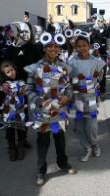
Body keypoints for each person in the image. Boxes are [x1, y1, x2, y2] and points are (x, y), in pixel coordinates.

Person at [25, 31, 77, 186]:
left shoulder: (65, 67)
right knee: (43, 142)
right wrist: (39, 101)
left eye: (56, 46)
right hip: (43, 113)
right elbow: (29, 89)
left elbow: (69, 87)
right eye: (50, 46)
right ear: (44, 48)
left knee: (60, 140)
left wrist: (67, 96)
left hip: (60, 111)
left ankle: (63, 163)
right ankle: (41, 170)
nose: (54, 49)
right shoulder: (35, 68)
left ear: (60, 49)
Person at [68, 32, 105, 162]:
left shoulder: (96, 61)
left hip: (90, 98)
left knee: (91, 125)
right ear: (75, 47)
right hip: (76, 97)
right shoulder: (71, 62)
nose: (82, 48)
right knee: (78, 126)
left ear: (89, 46)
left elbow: (100, 78)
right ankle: (87, 148)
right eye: (79, 46)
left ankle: (95, 144)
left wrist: (97, 85)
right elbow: (67, 79)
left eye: (84, 45)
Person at [0, 61, 27, 161]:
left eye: (12, 70)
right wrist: (0, 112)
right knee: (10, 131)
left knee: (20, 130)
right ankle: (12, 149)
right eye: (8, 72)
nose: (11, 72)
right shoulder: (4, 85)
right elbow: (0, 99)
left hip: (20, 111)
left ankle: (20, 148)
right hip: (8, 112)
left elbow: (25, 97)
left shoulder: (22, 82)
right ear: (4, 75)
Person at [89, 17, 110, 100]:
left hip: (103, 55)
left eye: (101, 21)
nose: (100, 22)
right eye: (98, 21)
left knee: (103, 74)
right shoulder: (93, 31)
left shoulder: (106, 31)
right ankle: (93, 91)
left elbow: (108, 42)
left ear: (103, 22)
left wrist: (108, 51)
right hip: (94, 56)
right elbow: (89, 42)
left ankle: (102, 91)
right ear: (96, 21)